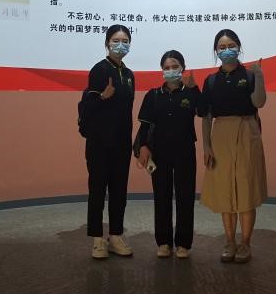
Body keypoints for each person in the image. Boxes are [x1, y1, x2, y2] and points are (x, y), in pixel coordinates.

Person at [199, 29, 267, 263]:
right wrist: (206, 146)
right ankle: (229, 241)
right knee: (224, 192)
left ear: (239, 47)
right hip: (220, 135)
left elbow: (259, 102)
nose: (226, 50)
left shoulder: (249, 75)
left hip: (247, 132)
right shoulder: (211, 81)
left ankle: (245, 244)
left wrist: (259, 76)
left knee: (246, 191)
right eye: (222, 47)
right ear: (216, 51)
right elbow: (206, 116)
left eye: (231, 46)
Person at [136, 50, 203, 259]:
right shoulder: (153, 95)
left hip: (185, 151)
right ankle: (164, 242)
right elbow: (145, 126)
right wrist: (143, 147)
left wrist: (195, 88)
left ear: (183, 68)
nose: (171, 70)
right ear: (162, 70)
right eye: (166, 67)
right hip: (160, 152)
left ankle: (183, 244)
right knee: (161, 196)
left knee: (185, 197)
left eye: (175, 66)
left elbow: (202, 111)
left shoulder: (190, 93)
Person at [84, 25, 135, 259]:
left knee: (119, 191)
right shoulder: (99, 70)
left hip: (122, 142)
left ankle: (115, 235)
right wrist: (102, 98)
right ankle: (97, 239)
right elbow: (88, 107)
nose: (120, 45)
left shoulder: (130, 75)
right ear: (107, 43)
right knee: (97, 190)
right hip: (99, 142)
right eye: (116, 40)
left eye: (125, 41)